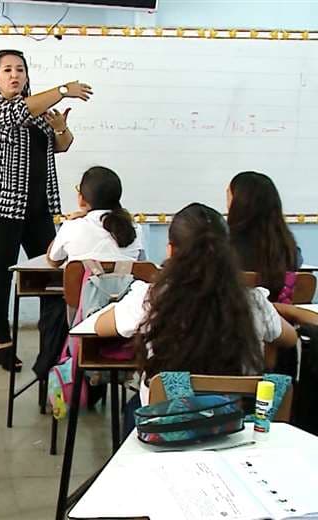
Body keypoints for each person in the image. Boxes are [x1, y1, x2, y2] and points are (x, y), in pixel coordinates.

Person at [91, 203, 297, 435]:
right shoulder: (252, 300)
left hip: (167, 428)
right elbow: (290, 338)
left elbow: (100, 326)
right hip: (235, 428)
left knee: (133, 409)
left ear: (170, 251)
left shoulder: (150, 297)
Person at [0, 49, 93, 371]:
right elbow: (18, 112)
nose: (15, 75)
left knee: (51, 275)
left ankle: (51, 348)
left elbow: (61, 145)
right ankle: (2, 344)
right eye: (7, 70)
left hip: (37, 208)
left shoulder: (37, 111)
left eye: (20, 70)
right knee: (2, 271)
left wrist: (61, 127)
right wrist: (63, 90)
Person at [227, 171, 302, 300]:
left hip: (239, 311)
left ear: (238, 203)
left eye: (229, 197)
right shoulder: (290, 250)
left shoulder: (223, 248)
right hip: (281, 312)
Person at [47, 166, 144, 266]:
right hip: (126, 277)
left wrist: (69, 221)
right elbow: (142, 265)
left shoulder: (70, 227)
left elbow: (53, 261)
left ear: (81, 200)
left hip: (84, 277)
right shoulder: (135, 229)